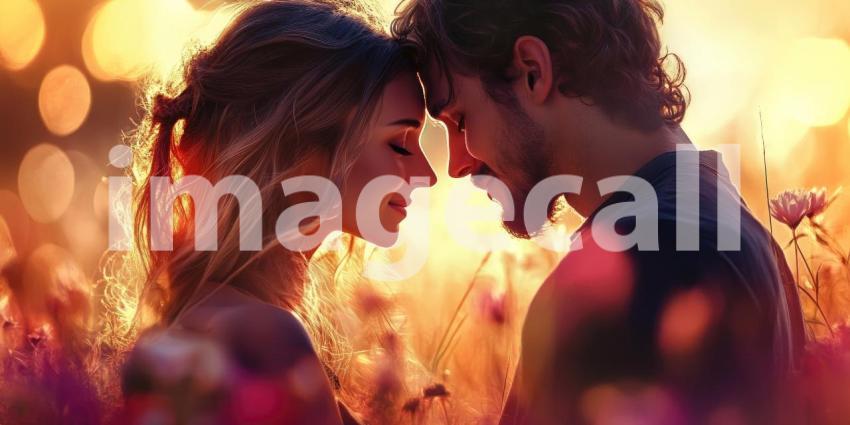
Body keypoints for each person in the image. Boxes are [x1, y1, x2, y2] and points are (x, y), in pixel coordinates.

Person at [392, 0, 805, 423]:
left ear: (533, 70)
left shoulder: (642, 261)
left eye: (460, 120)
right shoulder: (728, 229)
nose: (456, 165)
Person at [113, 1, 435, 423]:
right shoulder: (266, 341)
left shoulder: (192, 327)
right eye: (400, 142)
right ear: (300, 147)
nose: (427, 174)